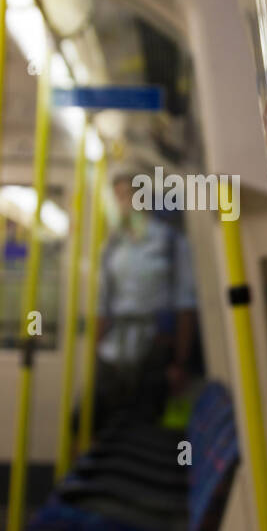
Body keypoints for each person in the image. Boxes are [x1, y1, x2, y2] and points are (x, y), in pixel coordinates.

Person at [93, 167, 199, 431]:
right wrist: (95, 350)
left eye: (129, 193)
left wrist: (180, 362)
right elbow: (103, 304)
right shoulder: (111, 246)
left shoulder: (170, 242)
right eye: (118, 196)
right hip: (113, 351)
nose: (123, 202)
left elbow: (185, 306)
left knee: (146, 423)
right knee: (107, 425)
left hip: (156, 348)